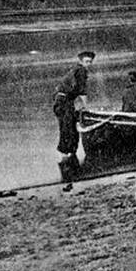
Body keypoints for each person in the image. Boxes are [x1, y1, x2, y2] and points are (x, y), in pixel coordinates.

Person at [53, 50, 94, 179]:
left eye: (90, 62)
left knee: (68, 131)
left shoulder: (74, 70)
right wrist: (86, 108)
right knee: (68, 132)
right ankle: (69, 167)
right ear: (80, 61)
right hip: (64, 102)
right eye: (86, 61)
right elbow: (82, 91)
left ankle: (69, 164)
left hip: (61, 102)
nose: (88, 64)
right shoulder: (81, 70)